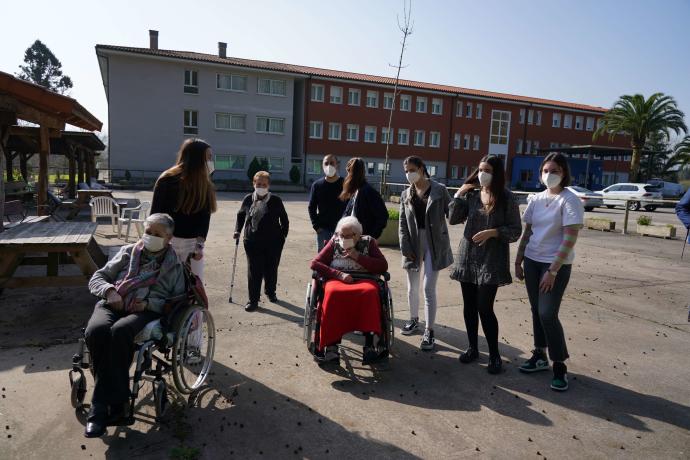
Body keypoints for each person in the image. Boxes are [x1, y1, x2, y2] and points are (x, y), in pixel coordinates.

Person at [84, 213, 185, 438]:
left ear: (169, 238)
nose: (150, 237)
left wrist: (148, 303)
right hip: (112, 302)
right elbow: (98, 277)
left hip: (144, 310)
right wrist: (109, 291)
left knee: (120, 332)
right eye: (148, 232)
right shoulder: (128, 252)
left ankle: (99, 408)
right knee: (96, 331)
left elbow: (175, 301)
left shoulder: (174, 265)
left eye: (157, 234)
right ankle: (117, 404)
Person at [515, 152, 584, 391]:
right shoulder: (536, 199)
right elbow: (528, 232)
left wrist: (553, 270)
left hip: (555, 265)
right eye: (545, 171)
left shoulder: (570, 200)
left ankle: (559, 365)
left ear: (564, 173)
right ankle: (540, 354)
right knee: (536, 310)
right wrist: (518, 260)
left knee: (547, 313)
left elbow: (570, 238)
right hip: (532, 261)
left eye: (554, 171)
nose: (549, 175)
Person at [449, 155, 522, 373]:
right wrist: (459, 194)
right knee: (469, 306)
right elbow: (452, 218)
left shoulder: (507, 198)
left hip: (492, 259)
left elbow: (515, 230)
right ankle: (472, 348)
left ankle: (495, 355)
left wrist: (494, 232)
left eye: (487, 170)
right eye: (480, 169)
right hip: (468, 256)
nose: (482, 174)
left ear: (497, 173)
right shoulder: (471, 195)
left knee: (484, 308)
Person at [310, 216, 389, 364]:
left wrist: (357, 256)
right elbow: (315, 263)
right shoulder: (334, 241)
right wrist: (338, 274)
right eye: (342, 235)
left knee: (370, 293)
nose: (344, 238)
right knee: (332, 293)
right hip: (338, 280)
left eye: (349, 236)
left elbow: (383, 266)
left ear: (358, 235)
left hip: (365, 280)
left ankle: (370, 344)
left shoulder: (369, 242)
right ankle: (331, 346)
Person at [398, 156, 453, 351]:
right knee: (412, 287)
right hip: (413, 243)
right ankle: (413, 319)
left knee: (428, 287)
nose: (408, 174)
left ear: (422, 168)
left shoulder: (439, 190)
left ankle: (429, 331)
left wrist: (461, 198)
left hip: (434, 243)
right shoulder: (406, 194)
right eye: (406, 170)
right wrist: (406, 248)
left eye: (412, 169)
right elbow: (403, 224)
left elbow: (452, 214)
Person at [151, 138, 217, 280]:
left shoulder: (204, 184)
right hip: (168, 242)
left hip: (192, 244)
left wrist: (199, 245)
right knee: (166, 285)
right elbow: (156, 216)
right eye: (209, 157)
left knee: (194, 286)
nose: (211, 162)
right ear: (196, 159)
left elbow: (205, 218)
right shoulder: (167, 180)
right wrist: (157, 242)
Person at [234, 170, 289, 312]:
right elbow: (240, 216)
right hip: (252, 242)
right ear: (253, 184)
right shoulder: (248, 199)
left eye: (264, 184)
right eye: (258, 184)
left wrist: (282, 237)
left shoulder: (276, 200)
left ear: (269, 185)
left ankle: (270, 292)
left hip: (273, 243)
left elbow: (284, 220)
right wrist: (237, 231)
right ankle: (253, 300)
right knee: (254, 270)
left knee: (271, 269)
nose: (261, 187)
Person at [340, 157, 388, 240]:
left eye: (348, 172)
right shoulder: (355, 191)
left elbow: (382, 216)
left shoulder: (368, 192)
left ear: (350, 172)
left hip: (362, 240)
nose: (347, 177)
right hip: (351, 239)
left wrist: (371, 237)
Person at [308, 154, 346, 252]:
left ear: (337, 165)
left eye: (332, 163)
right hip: (323, 230)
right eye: (326, 163)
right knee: (322, 262)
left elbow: (351, 206)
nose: (329, 166)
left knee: (341, 261)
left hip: (342, 231)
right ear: (322, 166)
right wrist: (316, 226)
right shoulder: (317, 185)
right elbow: (311, 207)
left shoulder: (345, 184)